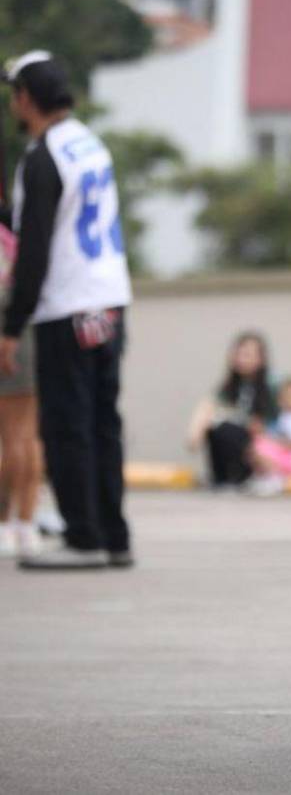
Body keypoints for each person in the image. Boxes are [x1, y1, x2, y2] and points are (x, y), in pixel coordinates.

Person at [0, 50, 133, 570]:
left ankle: (83, 537)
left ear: (26, 98)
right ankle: (113, 534)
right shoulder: (88, 143)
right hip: (109, 299)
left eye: (14, 93)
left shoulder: (42, 156)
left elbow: (33, 249)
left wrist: (12, 325)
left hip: (67, 305)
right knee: (103, 422)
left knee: (66, 425)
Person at [0, 220, 43, 558]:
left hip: (9, 336)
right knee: (27, 437)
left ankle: (6, 524)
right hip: (28, 330)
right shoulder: (16, 234)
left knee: (13, 438)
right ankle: (26, 524)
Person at [187, 331, 277, 490]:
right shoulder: (231, 385)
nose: (241, 360)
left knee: (227, 430)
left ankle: (242, 476)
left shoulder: (272, 385)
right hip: (239, 434)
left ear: (261, 358)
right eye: (238, 354)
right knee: (216, 428)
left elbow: (277, 422)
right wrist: (197, 429)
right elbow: (211, 404)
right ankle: (220, 477)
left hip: (262, 442)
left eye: (247, 355)